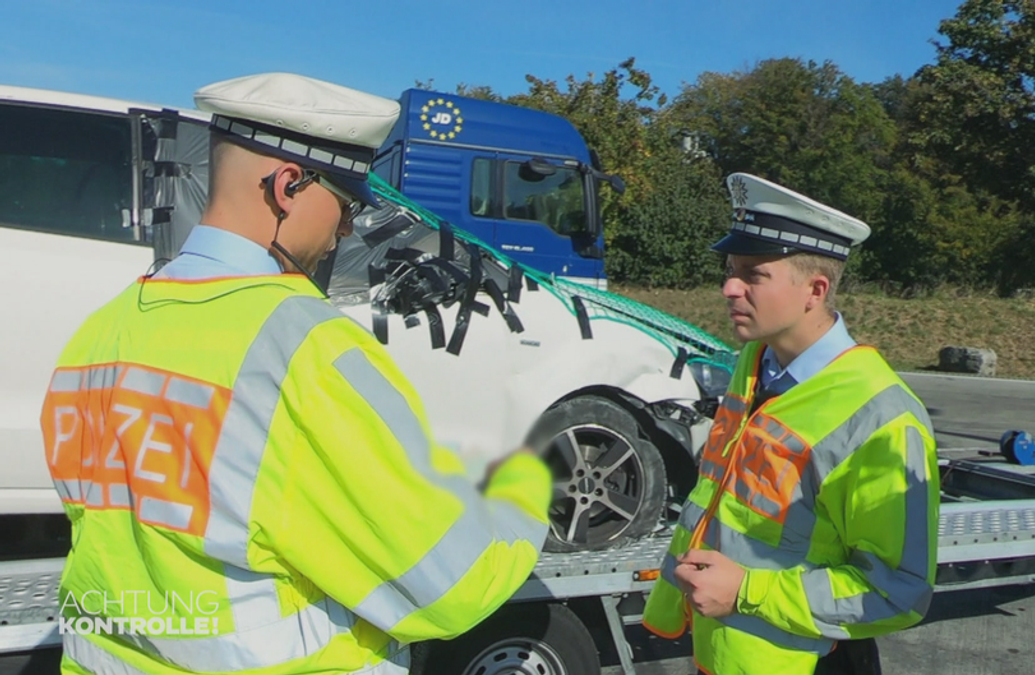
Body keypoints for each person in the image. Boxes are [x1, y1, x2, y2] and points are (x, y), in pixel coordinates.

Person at [40, 72, 552, 675]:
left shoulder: (102, 330)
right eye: (347, 205)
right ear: (288, 185)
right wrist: (522, 486)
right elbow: (448, 585)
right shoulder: (304, 347)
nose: (344, 231)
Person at [641, 173, 940, 675]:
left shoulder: (883, 416)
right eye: (731, 270)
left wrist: (745, 591)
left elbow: (899, 593)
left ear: (815, 290)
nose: (728, 288)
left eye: (753, 274)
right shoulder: (755, 360)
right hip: (722, 655)